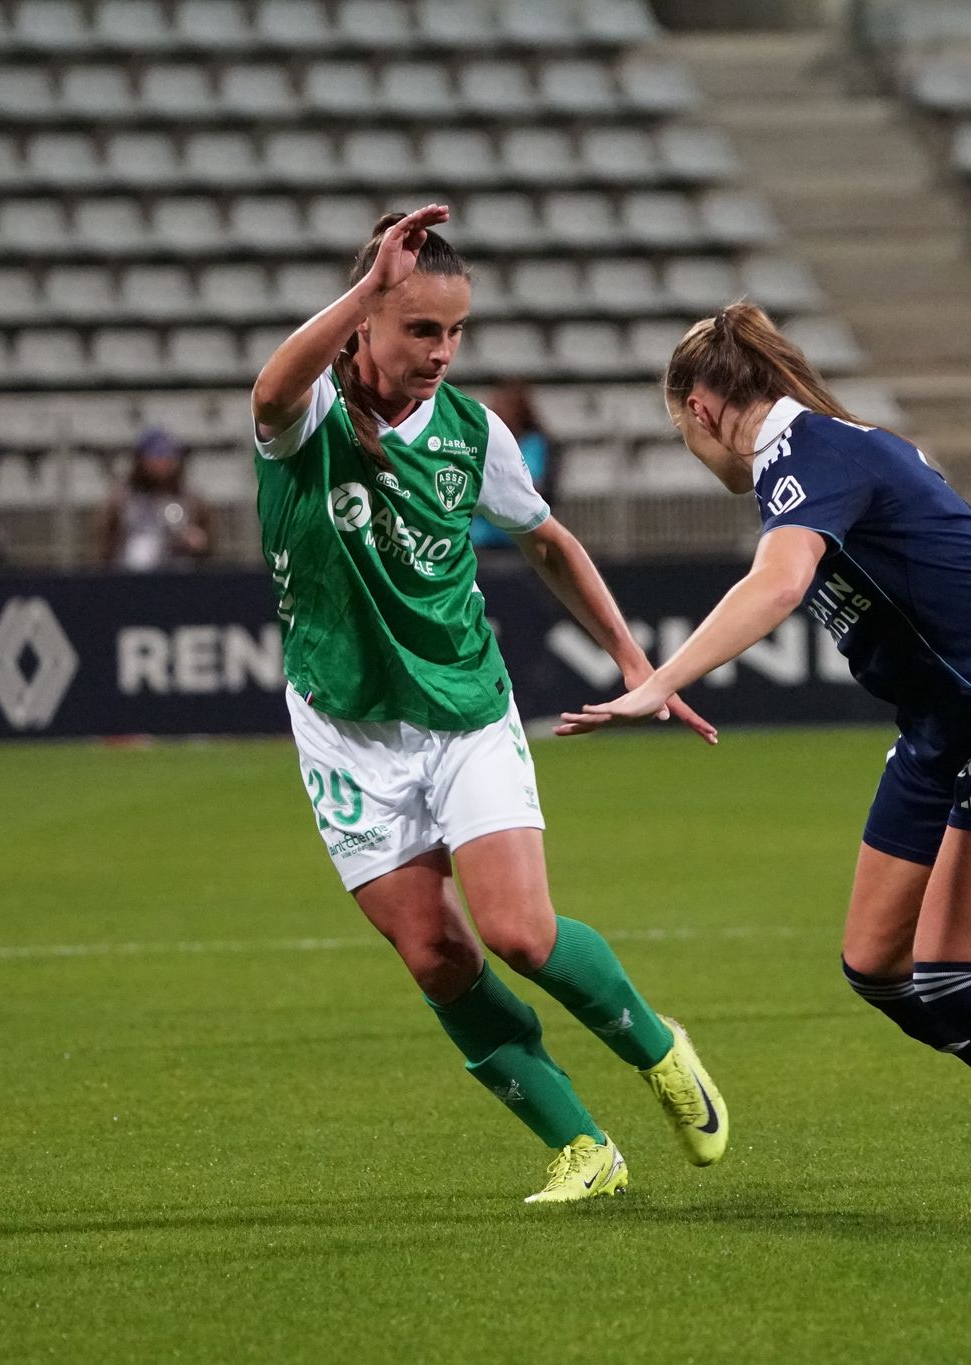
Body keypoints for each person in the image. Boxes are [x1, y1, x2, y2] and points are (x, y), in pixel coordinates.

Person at [559, 302, 971, 1219]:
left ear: (700, 409)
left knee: (955, 967)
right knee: (876, 964)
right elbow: (969, 562)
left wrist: (657, 682)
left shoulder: (811, 453)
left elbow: (779, 582)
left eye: (681, 432)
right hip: (952, 723)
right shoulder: (838, 451)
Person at [250, 204, 729, 1204]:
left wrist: (637, 666)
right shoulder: (309, 419)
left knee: (518, 931)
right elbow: (270, 388)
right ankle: (582, 1148)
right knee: (433, 954)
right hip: (344, 730)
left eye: (455, 331)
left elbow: (548, 542)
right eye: (420, 328)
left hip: (463, 707)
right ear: (366, 321)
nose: (440, 352)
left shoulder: (472, 433)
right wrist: (364, 287)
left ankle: (657, 1048)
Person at [98, 426, 213, 571]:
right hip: (131, 575)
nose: (162, 462)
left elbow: (209, 546)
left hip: (179, 574)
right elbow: (105, 545)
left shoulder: (191, 498)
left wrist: (199, 542)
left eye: (167, 456)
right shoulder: (121, 497)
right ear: (141, 460)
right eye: (156, 456)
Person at [470, 381, 559, 551]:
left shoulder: (535, 444)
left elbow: (534, 489)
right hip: (481, 540)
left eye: (505, 408)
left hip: (521, 540)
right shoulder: (481, 442)